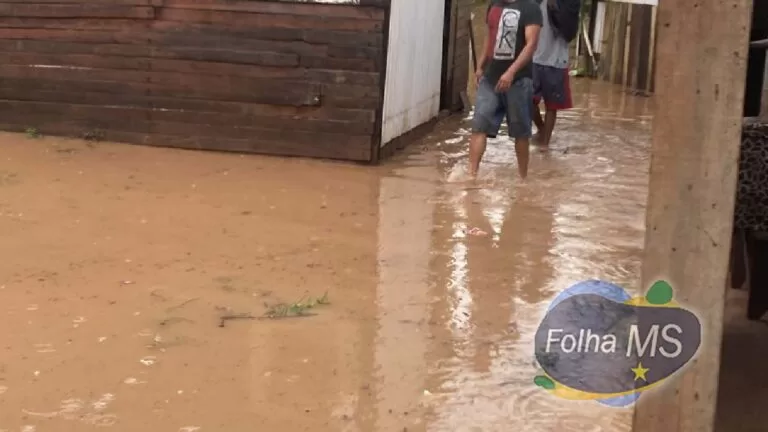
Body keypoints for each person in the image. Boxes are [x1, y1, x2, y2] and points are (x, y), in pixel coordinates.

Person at [469, 0, 543, 179]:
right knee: (479, 126)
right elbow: (490, 37)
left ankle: (522, 179)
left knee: (520, 132)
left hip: (518, 80)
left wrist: (510, 72)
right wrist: (480, 67)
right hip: (490, 77)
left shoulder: (530, 8)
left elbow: (531, 44)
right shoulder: (494, 5)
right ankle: (471, 177)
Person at [531, 0, 573, 148]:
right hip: (533, 57)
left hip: (556, 59)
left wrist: (555, 7)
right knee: (526, 100)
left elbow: (570, 31)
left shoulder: (568, 3)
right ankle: (542, 129)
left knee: (552, 105)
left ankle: (545, 145)